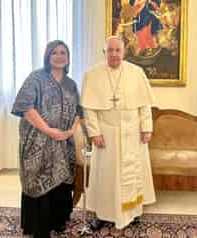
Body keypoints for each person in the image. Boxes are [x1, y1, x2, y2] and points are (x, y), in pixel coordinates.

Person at [80, 36, 156, 230]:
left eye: (117, 50)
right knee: (106, 176)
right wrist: (95, 133)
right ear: (104, 52)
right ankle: (103, 214)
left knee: (134, 175)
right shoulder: (92, 74)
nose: (114, 54)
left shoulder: (136, 73)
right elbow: (89, 109)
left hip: (133, 134)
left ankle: (133, 212)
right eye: (110, 50)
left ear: (124, 52)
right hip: (107, 135)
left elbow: (145, 104)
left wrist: (146, 128)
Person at [11, 40, 82, 238]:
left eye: (63, 53)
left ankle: (57, 222)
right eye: (54, 53)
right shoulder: (36, 78)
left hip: (63, 141)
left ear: (68, 58)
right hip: (38, 140)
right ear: (47, 56)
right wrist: (49, 130)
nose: (59, 56)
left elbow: (79, 110)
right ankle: (38, 226)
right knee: (38, 179)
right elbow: (24, 107)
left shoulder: (71, 83)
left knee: (61, 181)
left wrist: (71, 131)